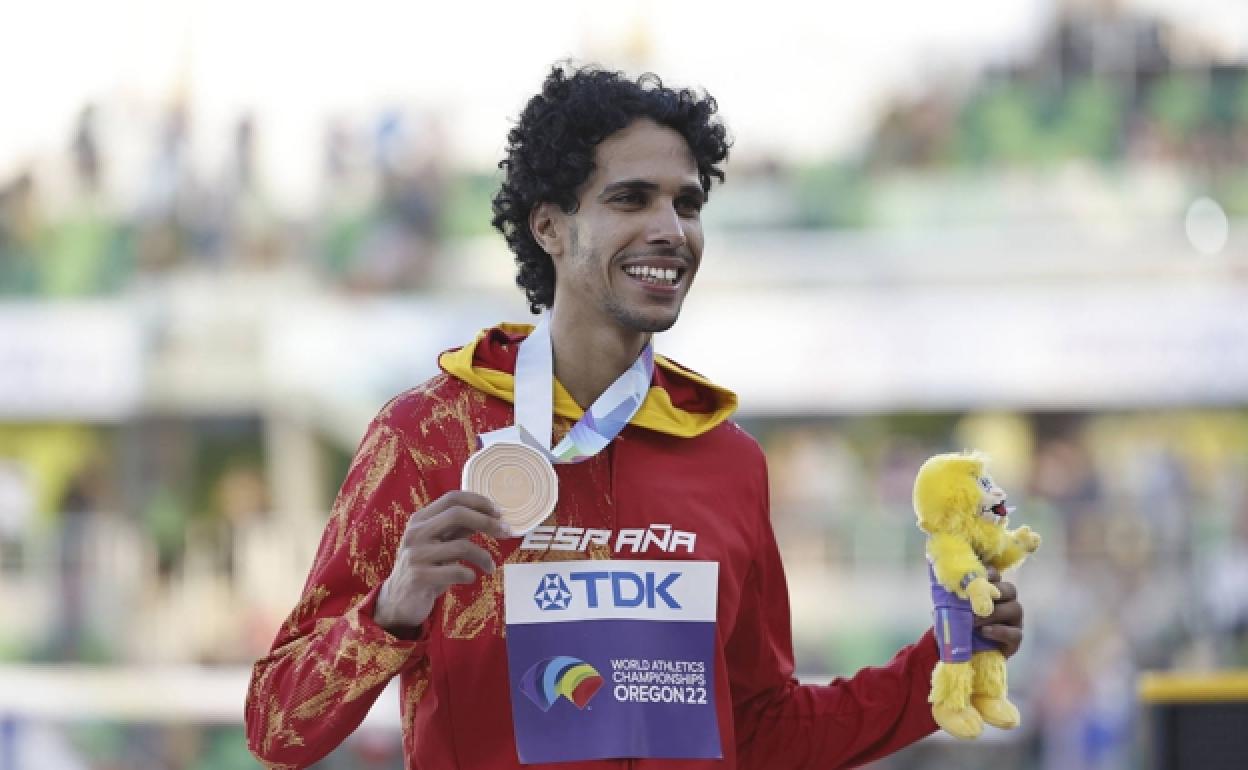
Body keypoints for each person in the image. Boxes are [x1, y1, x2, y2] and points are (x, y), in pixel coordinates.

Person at [244, 63, 1025, 769]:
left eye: (687, 203)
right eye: (630, 198)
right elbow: (277, 725)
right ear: (549, 226)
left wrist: (944, 661)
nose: (670, 229)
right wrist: (391, 610)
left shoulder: (726, 460)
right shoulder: (427, 435)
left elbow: (762, 731)